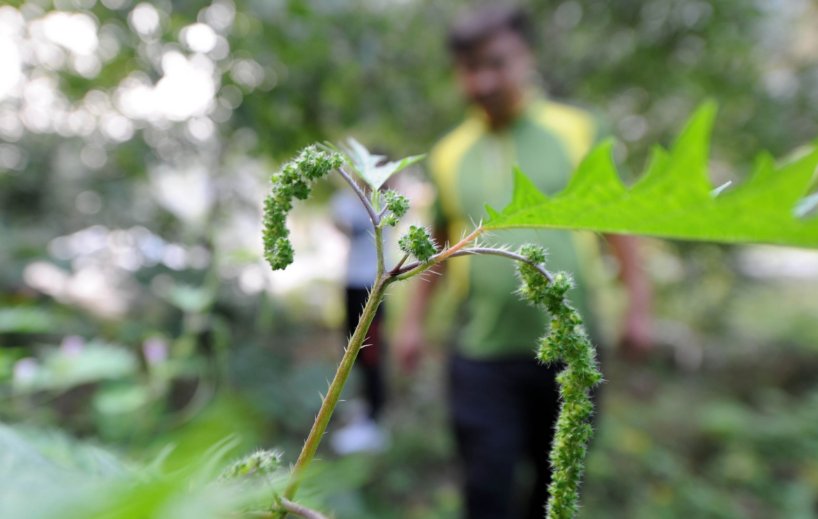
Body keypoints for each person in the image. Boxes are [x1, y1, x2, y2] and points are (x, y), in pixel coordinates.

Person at [395, 5, 652, 519]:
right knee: (485, 489)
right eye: (470, 69)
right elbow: (439, 238)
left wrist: (638, 307)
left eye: (497, 63)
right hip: (480, 353)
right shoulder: (449, 152)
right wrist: (413, 322)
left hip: (571, 349)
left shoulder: (577, 129)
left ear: (526, 57)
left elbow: (619, 227)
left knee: (555, 487)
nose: (484, 80)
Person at [329, 188, 388, 454]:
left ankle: (375, 422)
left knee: (372, 354)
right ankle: (364, 409)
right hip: (352, 283)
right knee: (353, 351)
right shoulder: (349, 200)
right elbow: (339, 223)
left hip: (375, 285)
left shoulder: (388, 203)